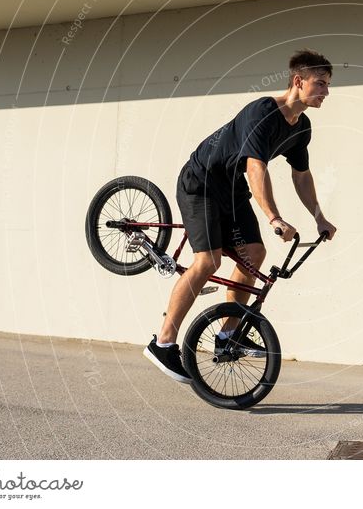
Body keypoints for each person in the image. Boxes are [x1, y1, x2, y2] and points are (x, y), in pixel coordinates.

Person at [143, 49, 337, 383]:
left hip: (232, 194)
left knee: (255, 254)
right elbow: (255, 166)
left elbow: (301, 176)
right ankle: (163, 342)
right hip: (201, 183)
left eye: (328, 85)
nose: (326, 92)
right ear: (297, 81)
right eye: (320, 83)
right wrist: (274, 217)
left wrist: (319, 217)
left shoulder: (301, 127)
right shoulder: (263, 112)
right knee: (207, 262)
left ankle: (227, 334)